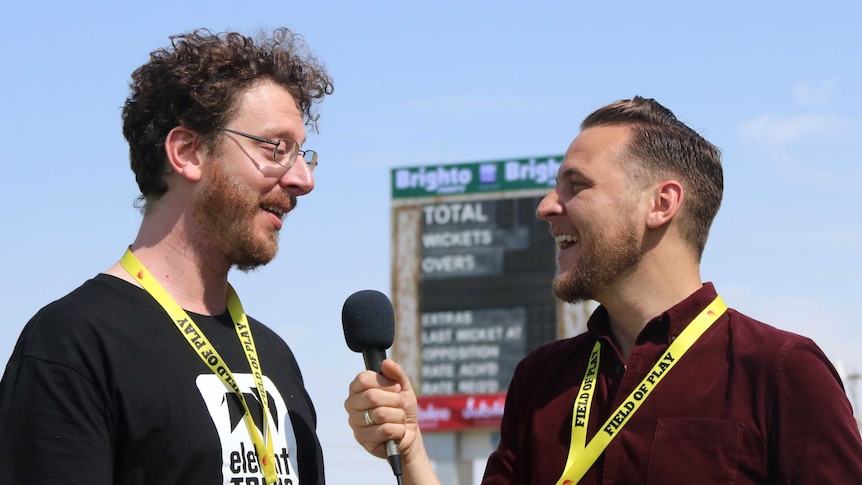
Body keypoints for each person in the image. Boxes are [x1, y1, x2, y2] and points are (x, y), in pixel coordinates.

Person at [344, 96, 862, 483]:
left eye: (577, 185)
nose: (547, 206)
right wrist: (411, 450)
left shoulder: (782, 371)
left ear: (661, 204)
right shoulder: (540, 380)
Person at [0, 28, 333, 485]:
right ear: (186, 151)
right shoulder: (74, 344)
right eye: (276, 148)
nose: (302, 180)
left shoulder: (275, 357)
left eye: (303, 155)